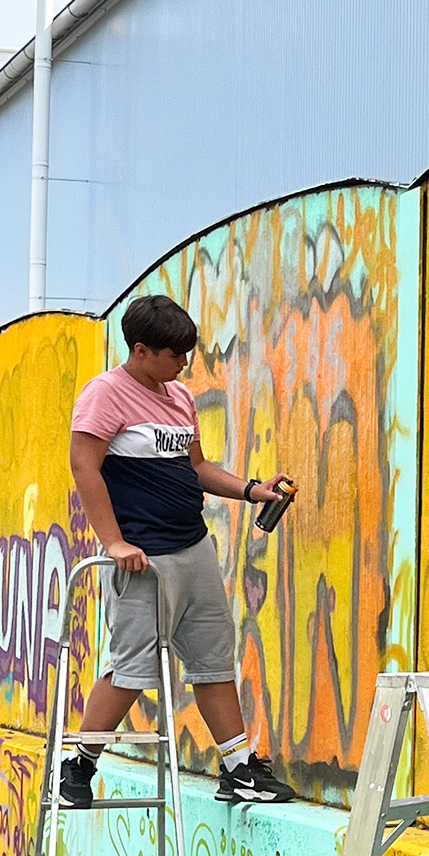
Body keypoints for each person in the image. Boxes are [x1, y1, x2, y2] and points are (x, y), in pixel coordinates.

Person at [61, 293, 296, 808]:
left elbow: (196, 468)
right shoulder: (104, 395)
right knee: (131, 672)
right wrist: (115, 542)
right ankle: (77, 767)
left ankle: (238, 770)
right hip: (143, 560)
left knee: (214, 661)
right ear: (141, 350)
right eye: (175, 354)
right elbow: (85, 468)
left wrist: (253, 489)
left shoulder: (179, 398)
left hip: (193, 548)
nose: (183, 363)